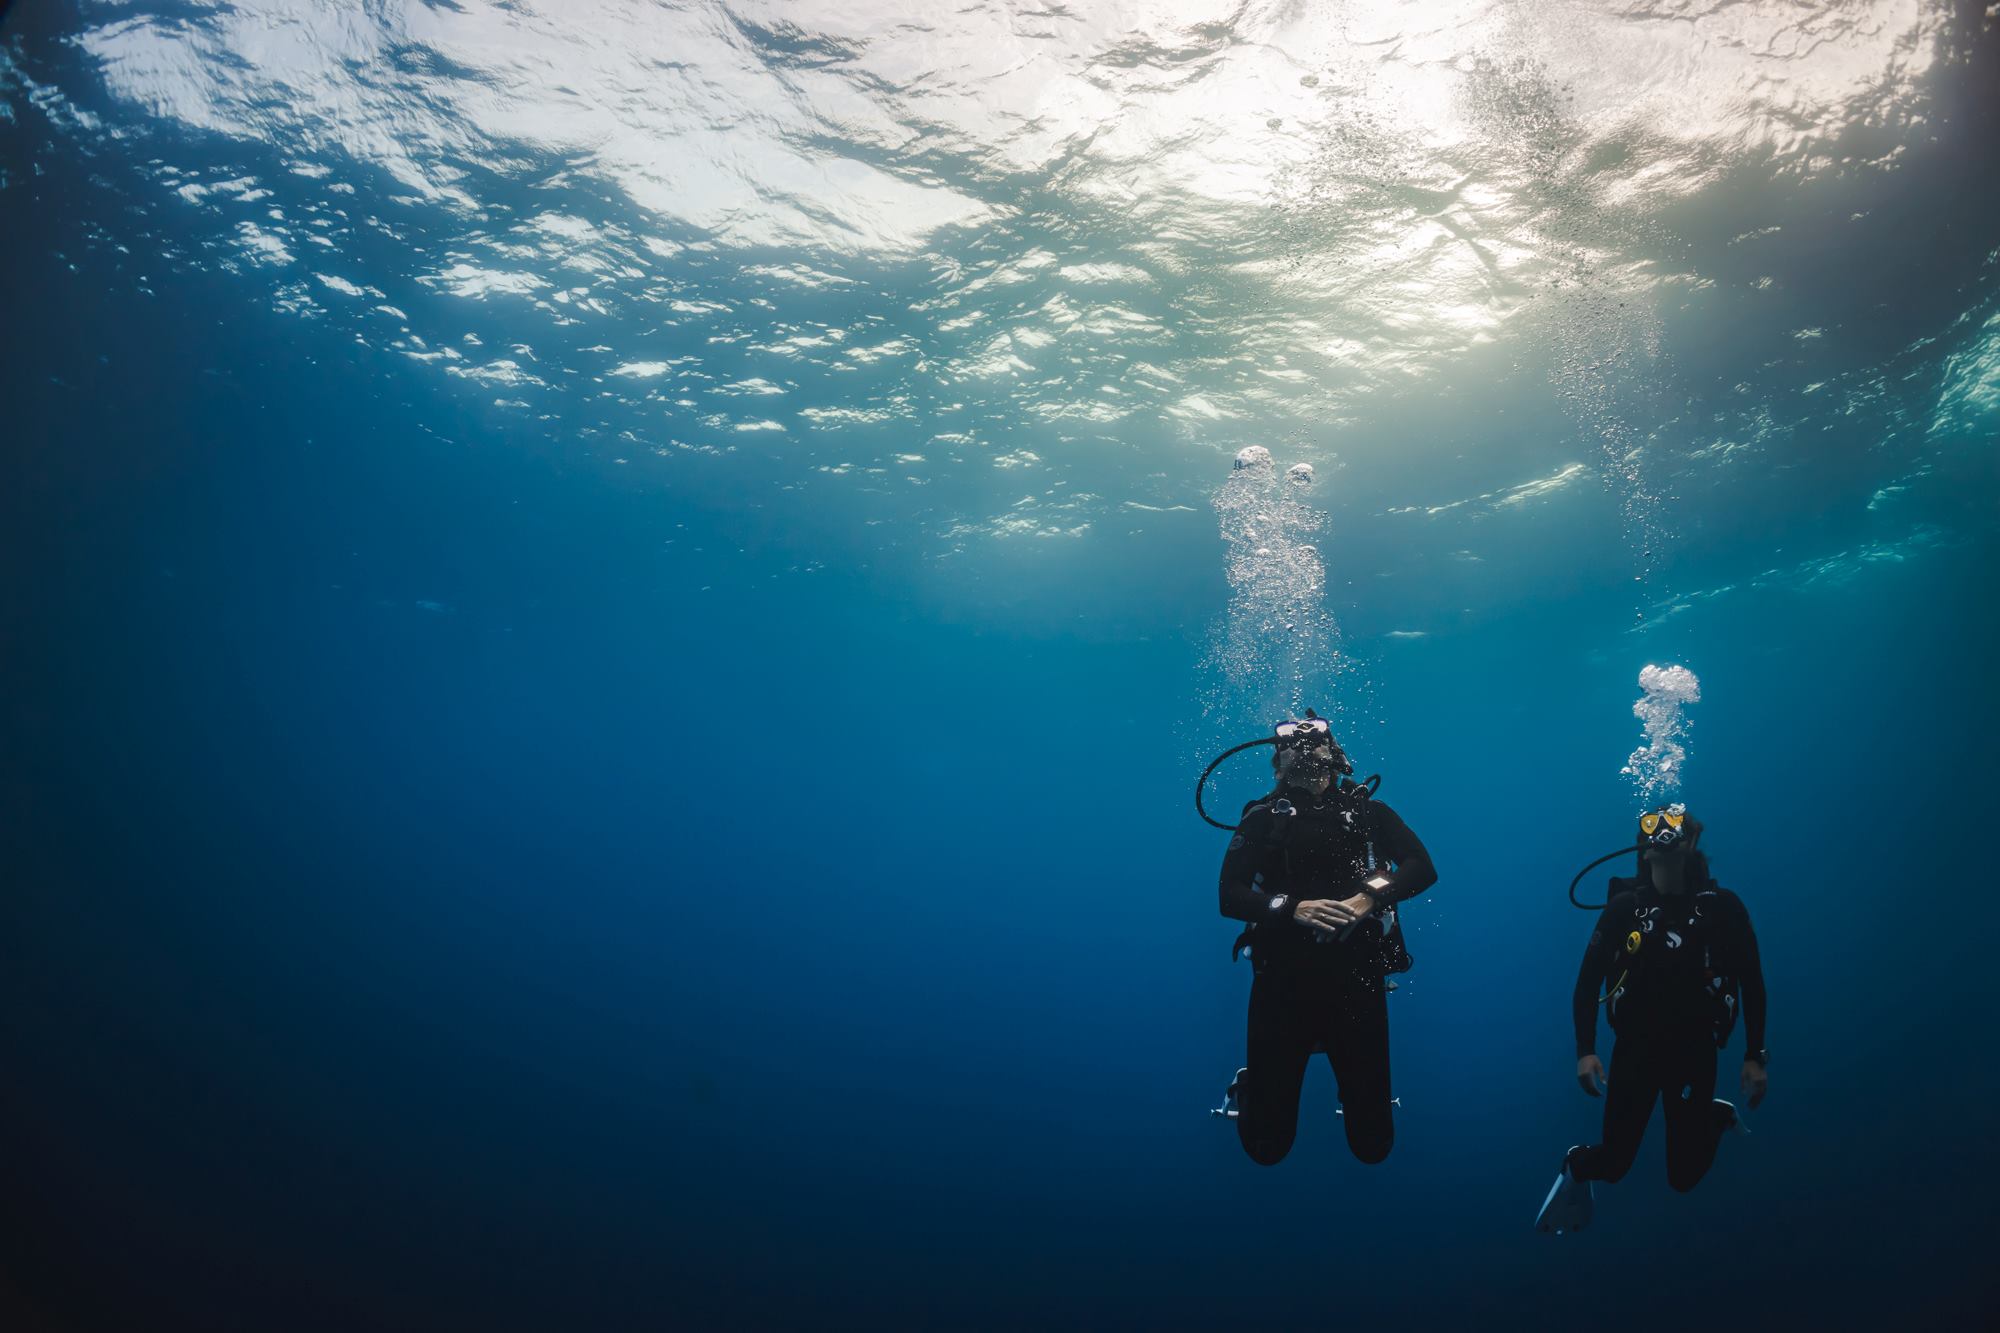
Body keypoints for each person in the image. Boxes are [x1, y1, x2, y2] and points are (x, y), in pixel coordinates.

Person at [1215, 717, 1437, 1166]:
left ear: (1336, 757)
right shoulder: (1263, 818)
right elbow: (1229, 895)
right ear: (1277, 764)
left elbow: (1421, 867)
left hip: (1357, 981)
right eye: (1292, 744)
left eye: (1316, 740)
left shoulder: (1370, 813)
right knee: (1267, 1148)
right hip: (1282, 983)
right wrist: (1293, 908)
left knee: (1374, 1146)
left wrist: (1366, 900)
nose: (1304, 747)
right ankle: (1252, 1087)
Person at [1537, 804, 1769, 1233]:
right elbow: (1586, 984)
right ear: (1642, 849)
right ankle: (1575, 1165)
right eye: (1651, 828)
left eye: (1674, 828)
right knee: (1614, 1162)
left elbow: (1753, 981)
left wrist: (1755, 1055)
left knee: (1684, 1178)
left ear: (1691, 841)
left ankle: (1714, 1118)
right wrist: (1585, 1052)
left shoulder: (1724, 908)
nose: (1663, 835)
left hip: (1696, 1051)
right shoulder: (1623, 910)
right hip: (1636, 1051)